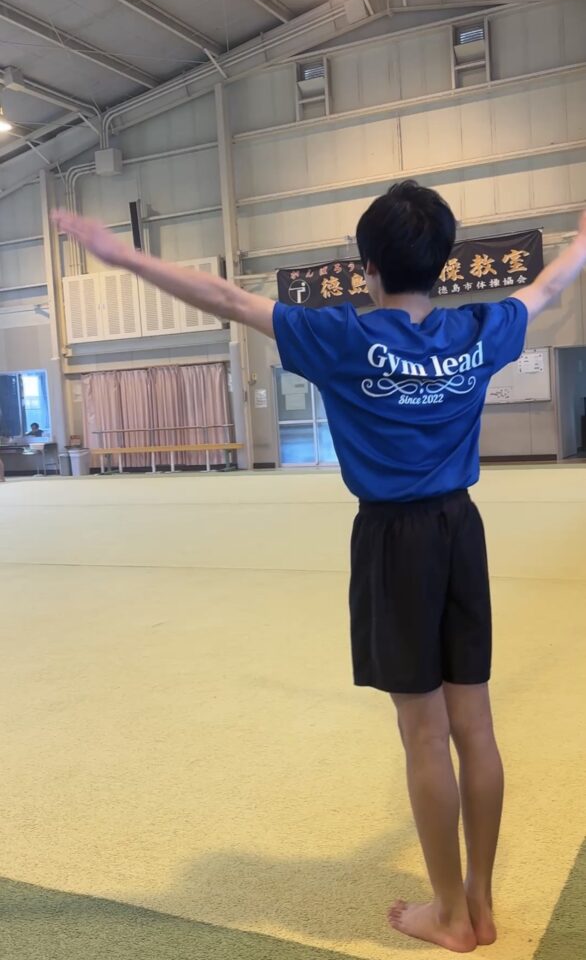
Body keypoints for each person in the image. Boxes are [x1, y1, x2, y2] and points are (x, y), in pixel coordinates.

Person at [52, 188, 586, 954]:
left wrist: (121, 255)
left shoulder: (342, 336)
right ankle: (480, 898)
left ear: (368, 268)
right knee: (476, 723)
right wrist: (582, 241)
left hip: (394, 539)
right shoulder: (479, 328)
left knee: (425, 734)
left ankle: (449, 914)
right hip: (461, 530)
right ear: (445, 264)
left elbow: (225, 298)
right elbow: (550, 285)